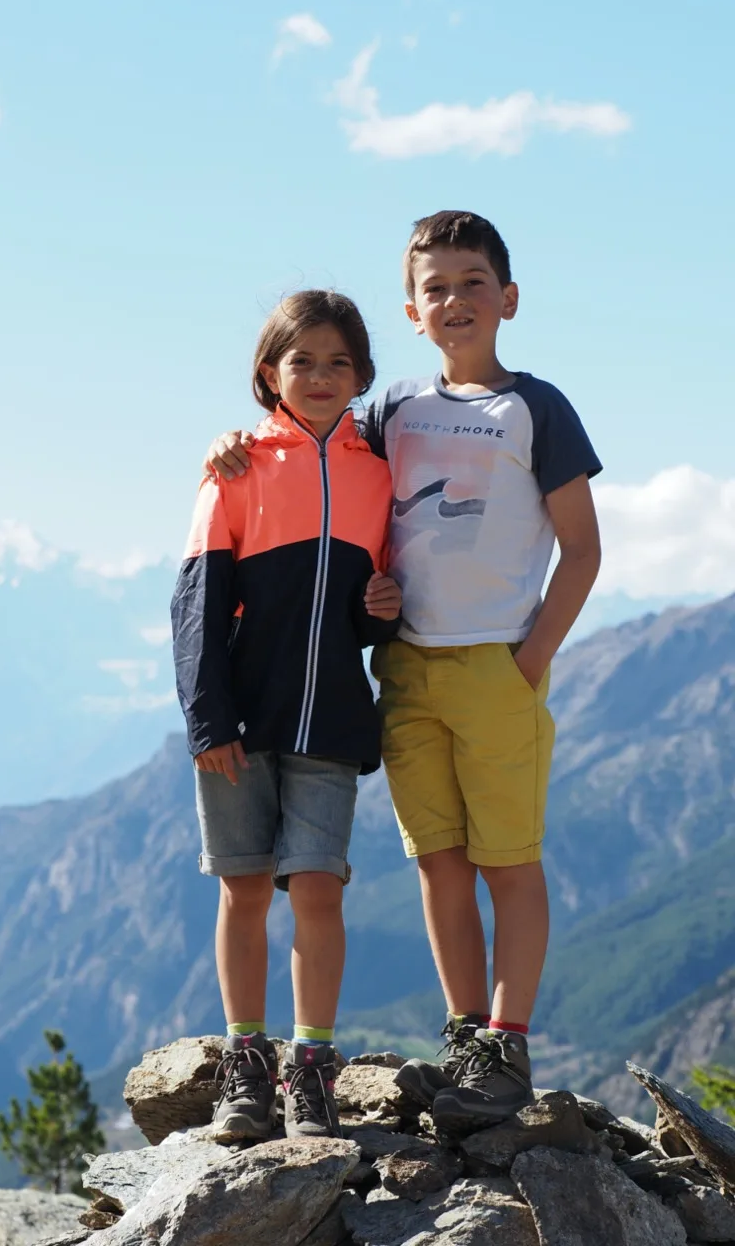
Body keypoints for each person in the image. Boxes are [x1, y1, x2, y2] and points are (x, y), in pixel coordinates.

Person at [202, 212, 603, 1136]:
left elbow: (581, 549)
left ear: (508, 298)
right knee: (441, 863)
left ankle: (506, 1041)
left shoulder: (536, 408)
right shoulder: (391, 412)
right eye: (436, 288)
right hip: (406, 670)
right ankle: (465, 1035)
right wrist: (232, 445)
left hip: (497, 665)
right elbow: (310, 445)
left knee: (510, 860)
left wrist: (531, 656)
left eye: (473, 282)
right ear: (412, 313)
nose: (455, 300)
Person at [171, 289, 401, 1143]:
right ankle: (246, 1067)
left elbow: (366, 615)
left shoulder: (377, 474)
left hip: (334, 718)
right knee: (240, 889)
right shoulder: (235, 469)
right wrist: (208, 720)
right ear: (270, 372)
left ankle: (312, 1069)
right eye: (303, 360)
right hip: (242, 719)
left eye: (340, 361)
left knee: (317, 889)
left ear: (361, 375)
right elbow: (197, 597)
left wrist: (379, 607)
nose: (322, 375)